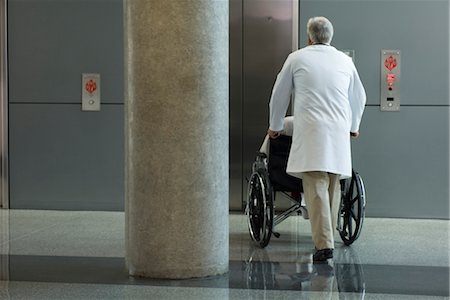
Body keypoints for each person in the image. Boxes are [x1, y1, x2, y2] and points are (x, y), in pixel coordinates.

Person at [267, 16, 366, 262]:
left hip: (312, 133)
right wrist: (354, 126)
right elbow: (359, 96)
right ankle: (326, 240)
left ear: (309, 37)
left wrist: (275, 126)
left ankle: (324, 245)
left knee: (316, 186)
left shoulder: (297, 57)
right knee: (332, 187)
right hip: (338, 133)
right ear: (330, 37)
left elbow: (279, 95)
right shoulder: (345, 60)